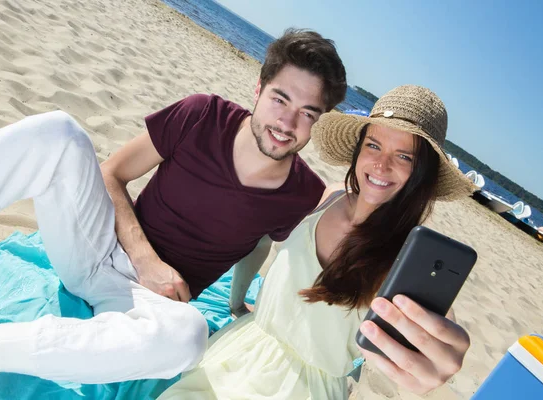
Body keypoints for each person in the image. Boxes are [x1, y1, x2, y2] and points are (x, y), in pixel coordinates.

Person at [0, 29, 347, 383]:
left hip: (150, 305)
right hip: (97, 245)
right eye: (281, 98)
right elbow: (111, 175)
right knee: (58, 132)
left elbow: (260, 243)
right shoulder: (202, 115)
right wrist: (145, 260)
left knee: (188, 337)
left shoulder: (300, 194)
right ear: (259, 89)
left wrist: (235, 302)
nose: (287, 122)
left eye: (307, 113)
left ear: (317, 121)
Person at [156, 85, 478, 399]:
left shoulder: (403, 260)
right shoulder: (331, 194)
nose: (381, 165)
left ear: (421, 174)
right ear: (358, 149)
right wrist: (256, 308)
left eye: (404, 157)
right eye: (374, 146)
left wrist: (437, 369)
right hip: (243, 344)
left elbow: (430, 342)